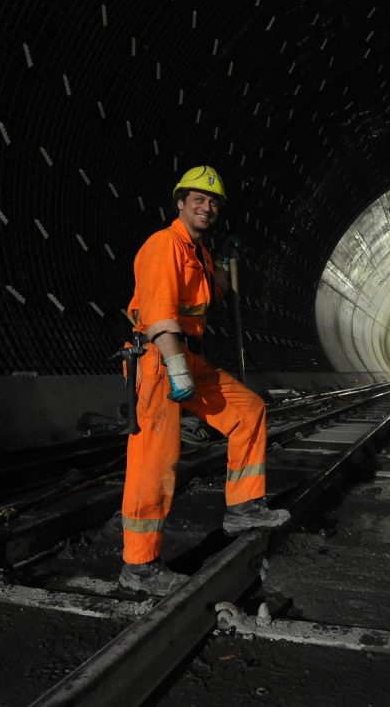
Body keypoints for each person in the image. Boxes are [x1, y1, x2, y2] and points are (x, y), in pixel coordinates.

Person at [119, 165, 290, 595]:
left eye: (213, 201)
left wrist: (227, 266)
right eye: (197, 198)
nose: (206, 206)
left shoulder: (198, 252)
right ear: (180, 203)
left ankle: (244, 506)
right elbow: (159, 315)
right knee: (154, 461)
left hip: (189, 358)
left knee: (248, 411)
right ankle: (138, 567)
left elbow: (212, 296)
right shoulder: (164, 246)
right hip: (160, 359)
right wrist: (176, 367)